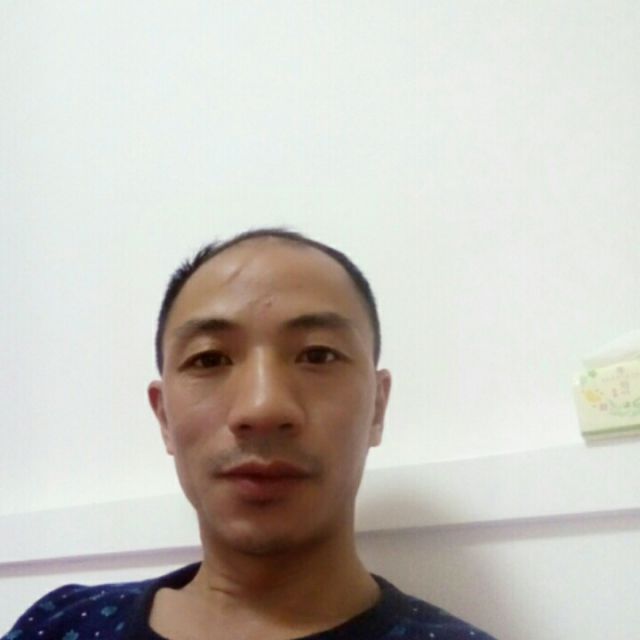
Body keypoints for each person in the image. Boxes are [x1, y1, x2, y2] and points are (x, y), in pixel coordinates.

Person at [3, 228, 497, 640]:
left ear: (377, 408)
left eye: (318, 354)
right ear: (164, 418)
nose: (263, 408)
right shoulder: (61, 624)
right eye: (209, 359)